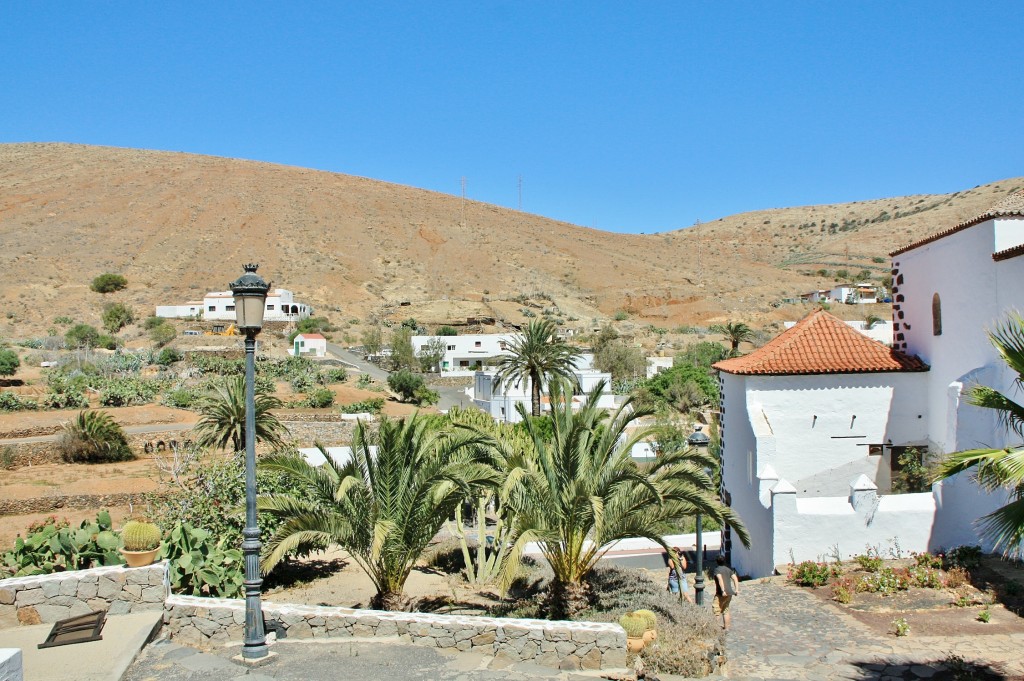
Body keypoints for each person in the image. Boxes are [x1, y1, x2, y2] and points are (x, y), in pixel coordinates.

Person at [712, 555, 740, 630]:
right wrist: (736, 589)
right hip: (730, 593)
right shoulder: (728, 569)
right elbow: (735, 578)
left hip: (721, 594)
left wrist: (723, 590)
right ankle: (727, 627)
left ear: (716, 562)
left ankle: (715, 628)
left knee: (716, 610)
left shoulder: (717, 570)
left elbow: (720, 579)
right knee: (725, 610)